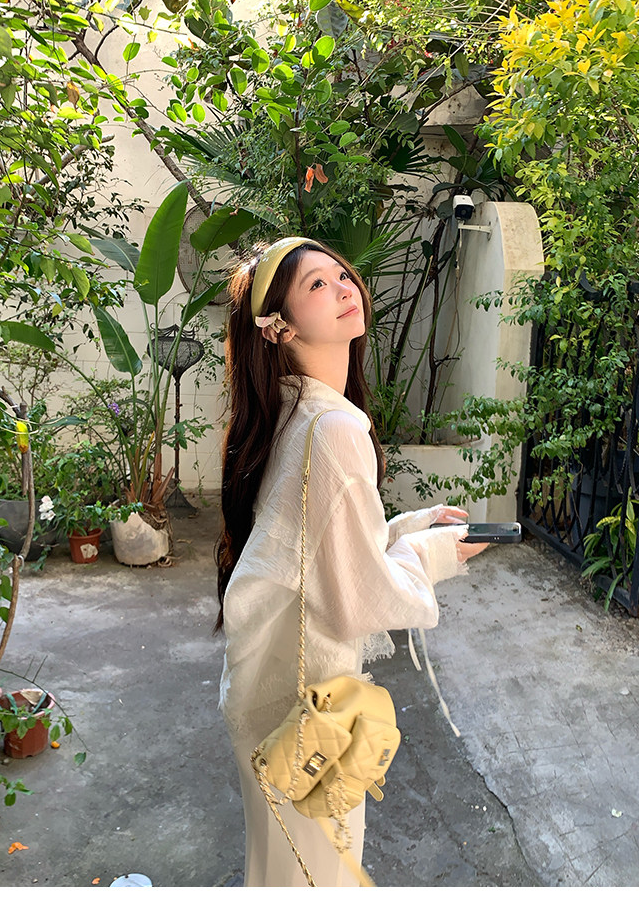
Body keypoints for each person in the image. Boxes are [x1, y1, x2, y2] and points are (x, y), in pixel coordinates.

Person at [215, 236, 487, 887]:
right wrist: (433, 552)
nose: (344, 287)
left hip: (271, 700)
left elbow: (322, 549)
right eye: (316, 284)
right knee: (314, 883)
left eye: (342, 275)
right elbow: (357, 599)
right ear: (279, 327)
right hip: (303, 718)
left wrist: (407, 528)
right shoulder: (332, 429)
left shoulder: (296, 411)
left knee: (284, 876)